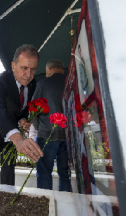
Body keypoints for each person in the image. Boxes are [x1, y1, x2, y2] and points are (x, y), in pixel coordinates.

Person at [0, 44, 44, 186]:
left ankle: (8, 198)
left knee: (9, 168)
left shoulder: (32, 84)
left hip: (9, 131)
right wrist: (18, 140)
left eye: (33, 69)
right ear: (13, 65)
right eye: (24, 68)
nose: (28, 75)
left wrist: (23, 119)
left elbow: (21, 108)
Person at [32, 59, 72, 191]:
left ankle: (45, 206)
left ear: (49, 70)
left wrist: (40, 127)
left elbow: (33, 109)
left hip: (47, 135)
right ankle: (67, 206)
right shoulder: (70, 83)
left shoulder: (43, 83)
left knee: (44, 173)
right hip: (67, 136)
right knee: (65, 175)